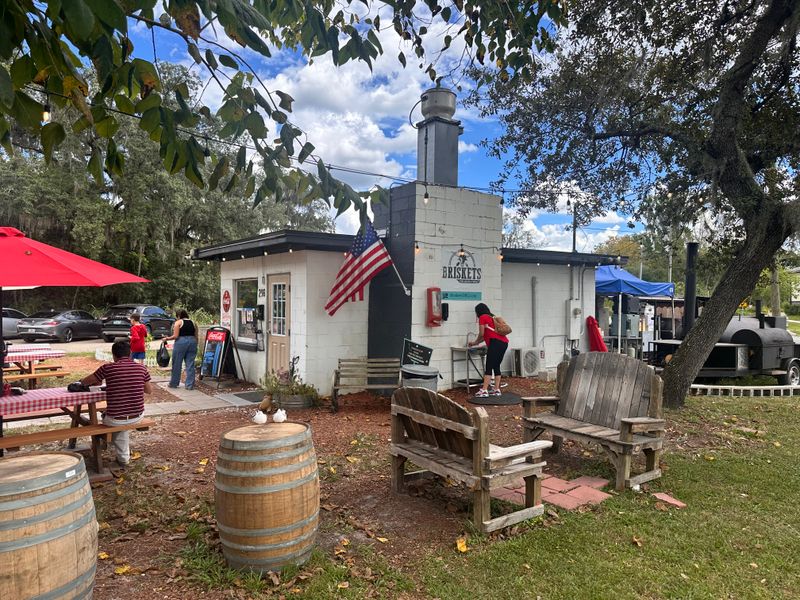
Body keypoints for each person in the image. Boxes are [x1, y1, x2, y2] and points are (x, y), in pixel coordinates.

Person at [81, 340, 151, 467]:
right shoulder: (142, 368)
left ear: (114, 355)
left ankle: (122, 457)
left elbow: (86, 381)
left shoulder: (107, 368)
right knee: (119, 418)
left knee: (112, 418)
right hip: (138, 416)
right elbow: (149, 390)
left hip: (116, 419)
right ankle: (123, 457)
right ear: (130, 353)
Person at [467, 303, 509, 397]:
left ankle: (484, 390)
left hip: (495, 343)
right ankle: (496, 389)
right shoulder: (492, 317)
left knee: (489, 366)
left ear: (478, 311)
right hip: (504, 343)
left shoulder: (483, 317)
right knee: (496, 365)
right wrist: (475, 343)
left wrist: (476, 341)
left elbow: (481, 333)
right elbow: (485, 335)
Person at [164, 309, 198, 390]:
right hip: (193, 342)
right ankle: (190, 385)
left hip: (181, 342)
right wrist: (195, 344)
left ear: (178, 316)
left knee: (177, 363)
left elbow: (176, 336)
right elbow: (196, 335)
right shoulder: (193, 323)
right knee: (190, 364)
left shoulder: (178, 322)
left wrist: (166, 338)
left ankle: (174, 383)